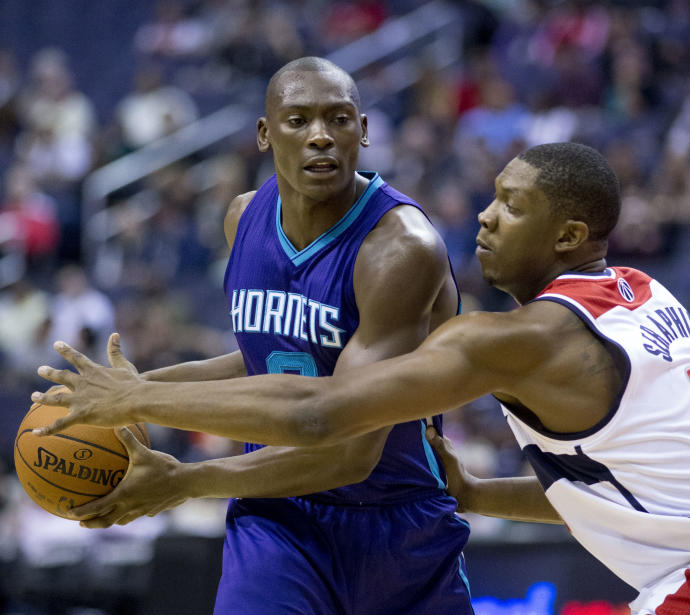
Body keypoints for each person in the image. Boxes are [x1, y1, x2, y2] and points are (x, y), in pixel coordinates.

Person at [35, 141, 690, 614]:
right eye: (492, 197)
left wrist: (141, 397)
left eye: (512, 207)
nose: (485, 216)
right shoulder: (644, 294)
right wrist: (479, 493)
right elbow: (619, 491)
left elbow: (322, 412)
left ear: (570, 234)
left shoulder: (518, 341)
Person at [35, 56, 473, 614]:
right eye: (298, 121)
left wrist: (183, 472)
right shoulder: (244, 219)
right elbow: (266, 359)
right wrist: (132, 391)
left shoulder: (401, 247)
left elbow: (344, 443)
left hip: (397, 527)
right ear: (265, 134)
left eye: (338, 119)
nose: (320, 137)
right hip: (276, 516)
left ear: (363, 130)